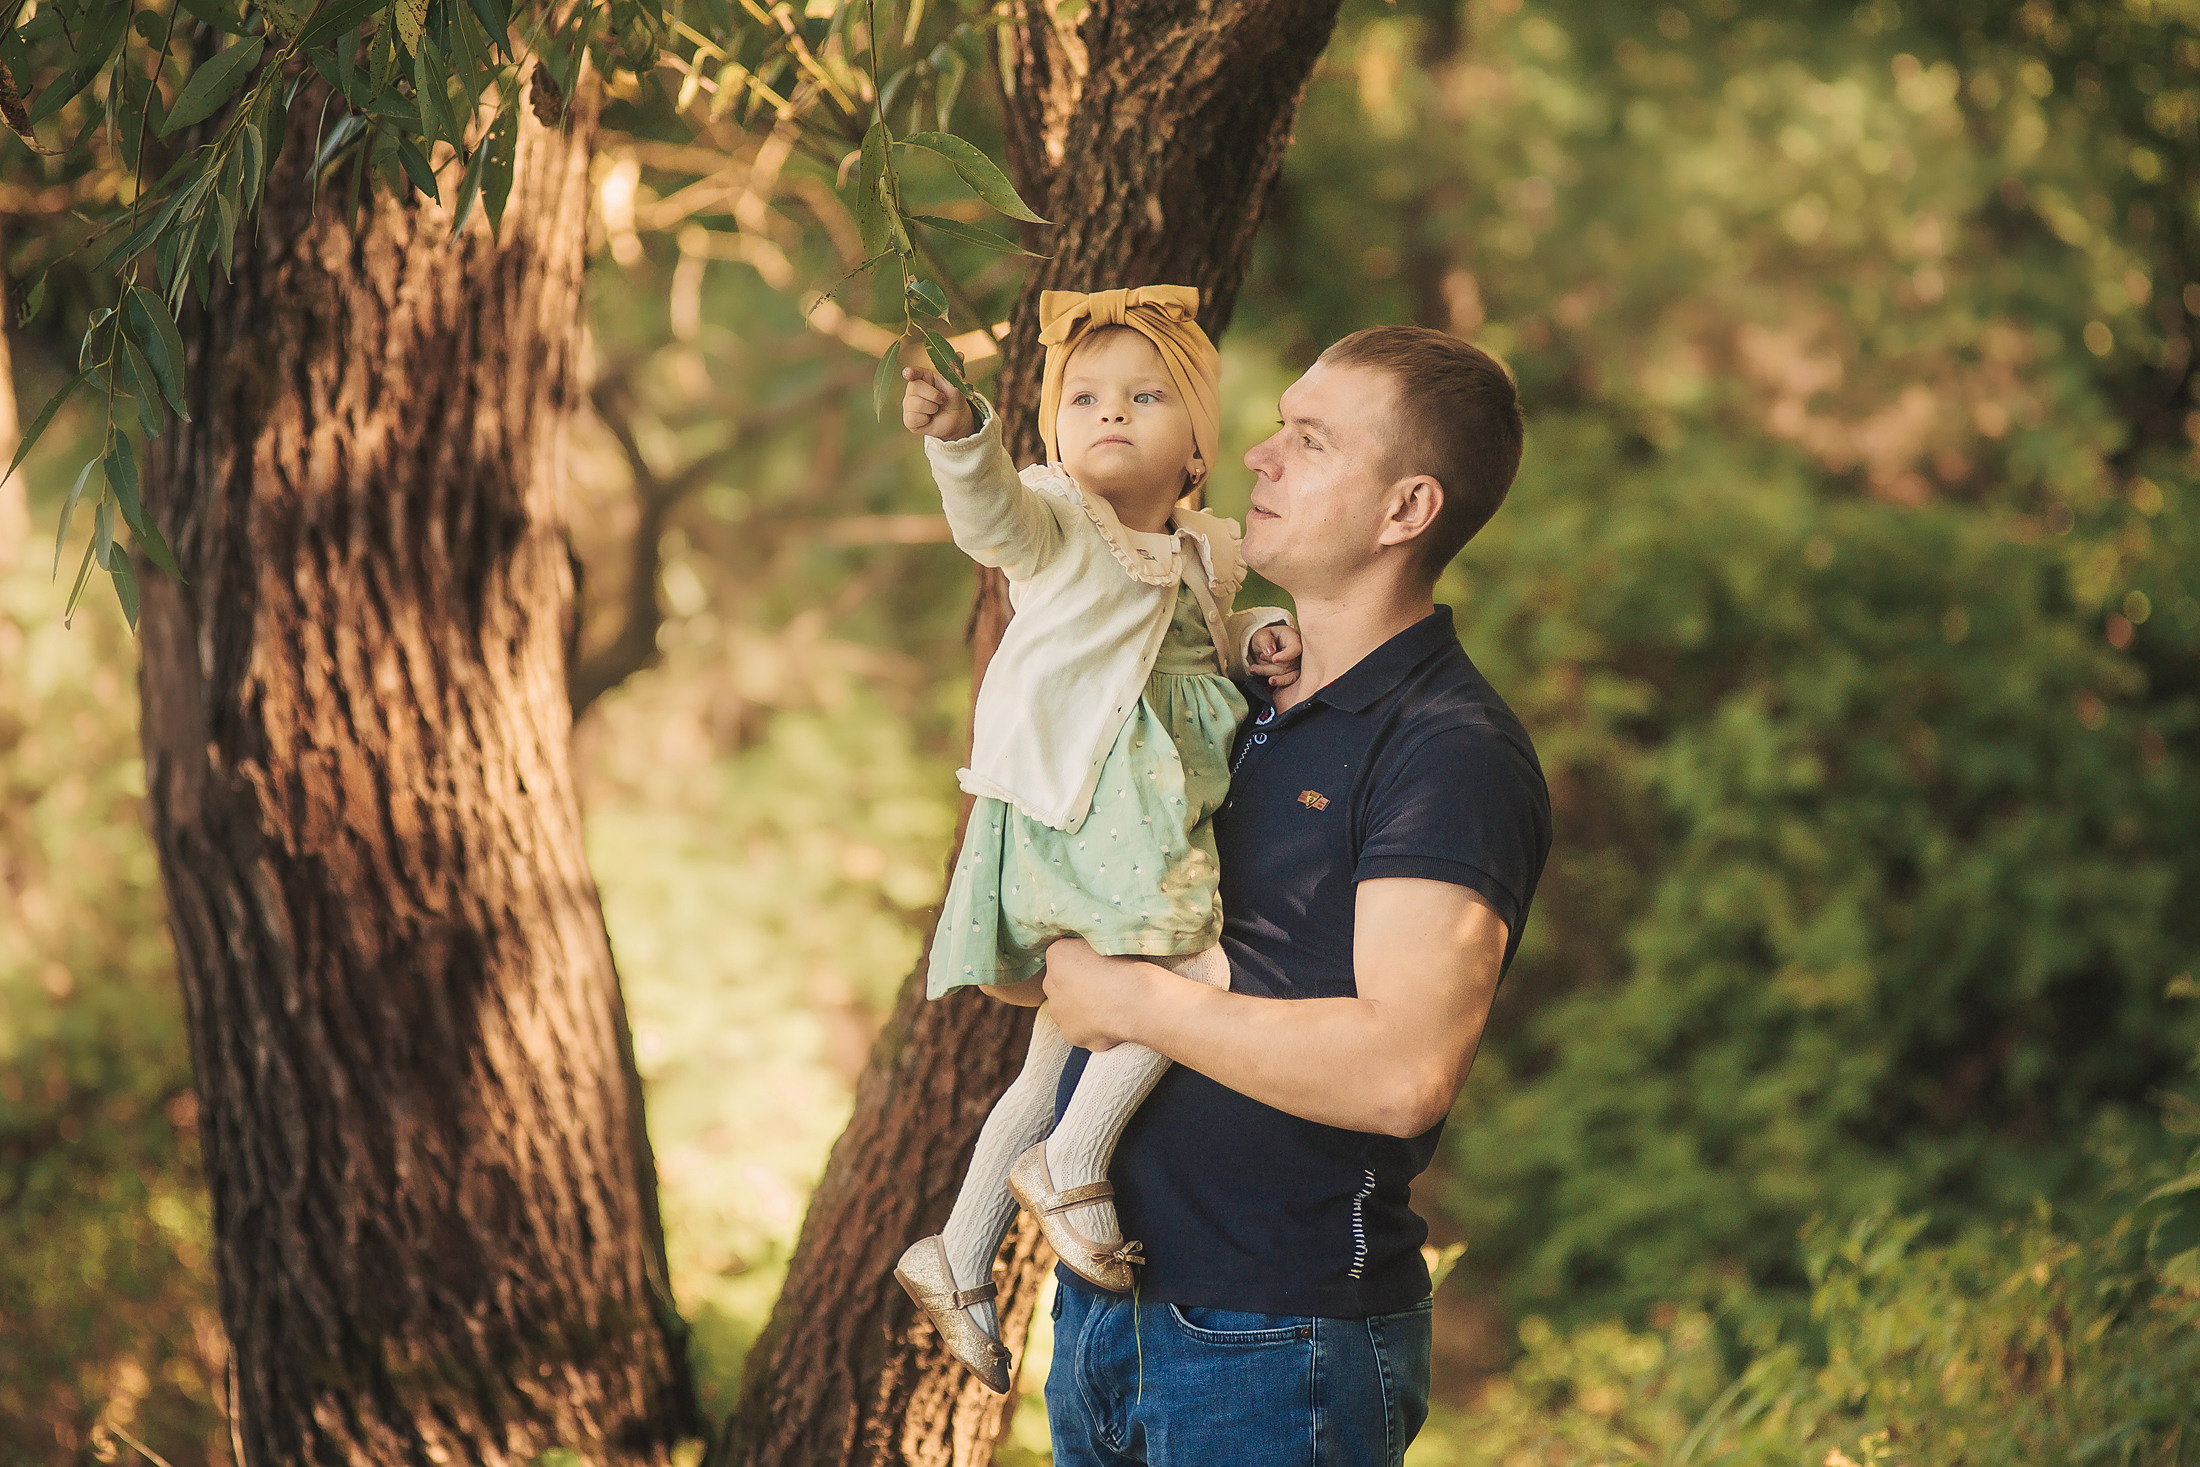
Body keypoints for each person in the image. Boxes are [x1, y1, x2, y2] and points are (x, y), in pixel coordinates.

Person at [1034, 325, 1552, 1467]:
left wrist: (1125, 1000)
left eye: (1310, 442)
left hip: (1276, 1347)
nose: (1258, 456)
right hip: (1103, 1313)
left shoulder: (1446, 751)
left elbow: (1400, 1073)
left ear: (1405, 509)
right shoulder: (1230, 693)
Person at [890, 285, 1304, 1393]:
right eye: (1082, 399)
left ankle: (958, 1250)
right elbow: (990, 523)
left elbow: (1223, 629)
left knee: (1059, 1048)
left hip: (1141, 816)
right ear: (1055, 437)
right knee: (1198, 969)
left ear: (1198, 450)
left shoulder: (1203, 549)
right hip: (1085, 809)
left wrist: (1269, 634)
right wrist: (963, 441)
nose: (1108, 414)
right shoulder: (1057, 520)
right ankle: (1071, 1162)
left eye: (1144, 396)